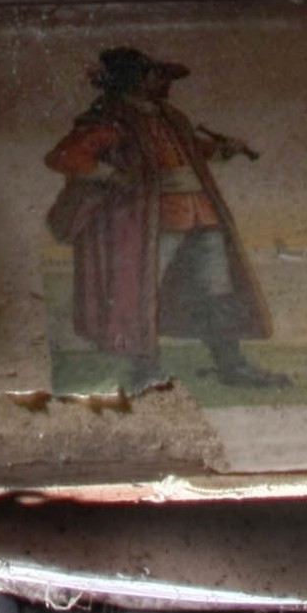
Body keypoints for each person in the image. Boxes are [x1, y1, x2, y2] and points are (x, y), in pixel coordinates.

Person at [43, 46, 286, 392]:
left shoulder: (170, 116)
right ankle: (145, 372)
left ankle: (232, 366)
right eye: (155, 74)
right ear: (134, 79)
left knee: (217, 290)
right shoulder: (112, 118)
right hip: (149, 221)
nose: (163, 82)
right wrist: (112, 175)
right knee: (140, 293)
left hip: (202, 214)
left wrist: (221, 150)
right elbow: (65, 155)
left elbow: (187, 152)